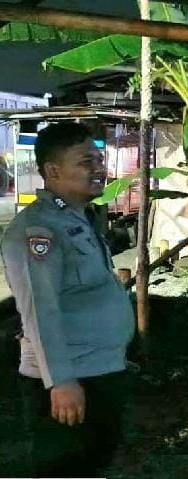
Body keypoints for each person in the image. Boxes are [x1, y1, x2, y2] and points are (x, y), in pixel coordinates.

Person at [2, 122, 134, 477]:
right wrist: (60, 381)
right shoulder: (38, 229)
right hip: (70, 378)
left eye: (99, 159)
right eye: (86, 161)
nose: (99, 168)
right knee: (64, 468)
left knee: (93, 464)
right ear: (53, 171)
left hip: (99, 370)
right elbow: (40, 311)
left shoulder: (79, 218)